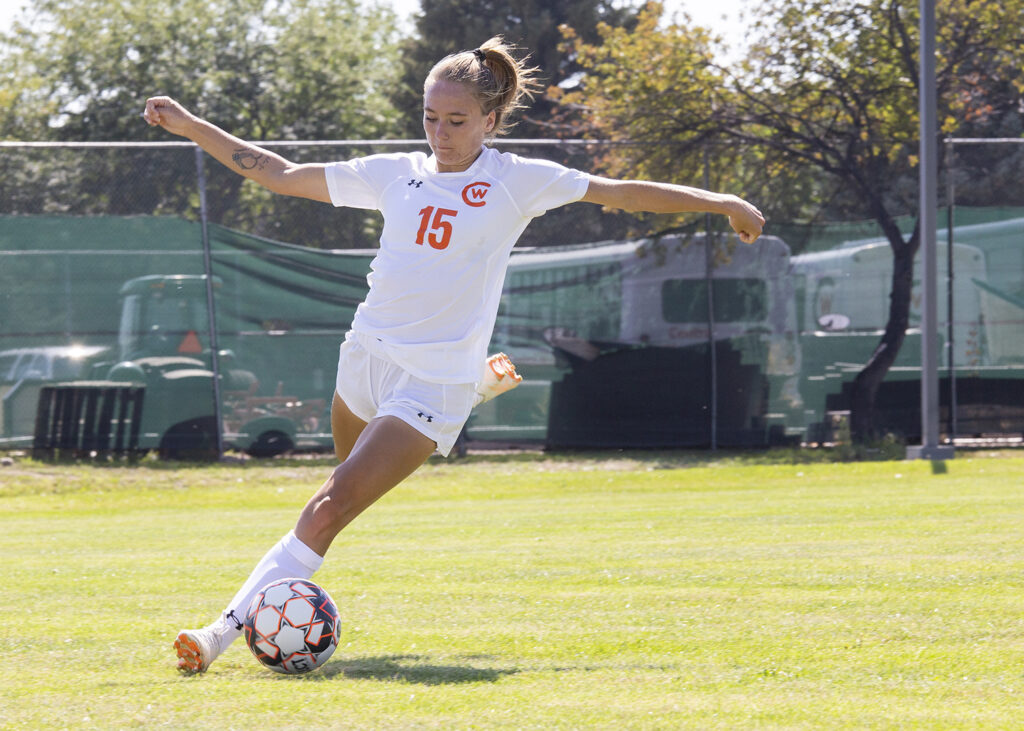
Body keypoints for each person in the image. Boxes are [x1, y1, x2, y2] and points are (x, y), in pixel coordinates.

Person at [144, 36, 765, 674]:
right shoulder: (393, 172)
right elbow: (273, 173)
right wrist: (188, 124)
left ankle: (218, 632)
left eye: (458, 120)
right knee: (337, 490)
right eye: (431, 117)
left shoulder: (518, 181)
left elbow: (622, 191)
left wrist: (718, 202)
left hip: (430, 380)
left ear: (490, 120)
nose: (442, 132)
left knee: (330, 505)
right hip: (364, 357)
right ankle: (476, 385)